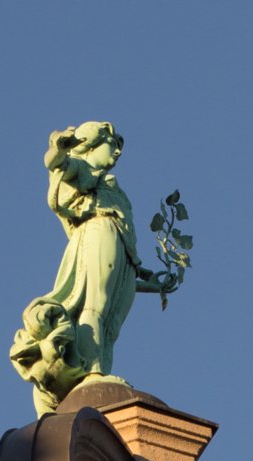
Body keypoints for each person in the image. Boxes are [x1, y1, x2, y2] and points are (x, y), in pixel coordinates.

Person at [14, 122, 174, 402]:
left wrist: (151, 283)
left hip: (120, 247)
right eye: (111, 146)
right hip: (99, 231)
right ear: (92, 145)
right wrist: (58, 150)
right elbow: (55, 164)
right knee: (96, 305)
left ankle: (99, 369)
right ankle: (93, 372)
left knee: (111, 318)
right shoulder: (82, 168)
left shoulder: (110, 183)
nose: (117, 154)